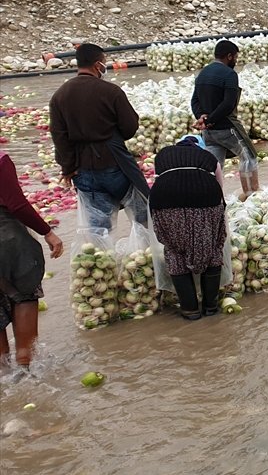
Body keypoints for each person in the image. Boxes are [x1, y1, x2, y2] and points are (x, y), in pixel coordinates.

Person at [49, 42, 149, 234]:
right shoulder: (111, 92)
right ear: (97, 65)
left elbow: (59, 137)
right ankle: (149, 255)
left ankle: (101, 260)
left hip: (83, 169)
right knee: (141, 213)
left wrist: (68, 168)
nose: (105, 66)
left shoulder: (60, 96)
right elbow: (130, 128)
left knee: (98, 226)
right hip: (115, 164)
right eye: (104, 62)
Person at [149, 134, 227, 321]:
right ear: (198, 147)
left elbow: (158, 179)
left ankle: (190, 310)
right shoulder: (209, 158)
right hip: (206, 201)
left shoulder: (163, 155)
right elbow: (220, 189)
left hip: (165, 203)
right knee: (213, 247)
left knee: (175, 250)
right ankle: (210, 307)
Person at [1, 151, 64, 374]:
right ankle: (25, 369)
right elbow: (16, 204)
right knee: (25, 295)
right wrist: (47, 232)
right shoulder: (1, 160)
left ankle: (4, 371)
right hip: (6, 237)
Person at [191, 40, 260, 201]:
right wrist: (211, 120)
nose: (235, 61)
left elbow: (194, 101)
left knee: (215, 167)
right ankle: (251, 196)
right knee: (249, 157)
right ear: (229, 56)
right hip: (226, 128)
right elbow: (228, 104)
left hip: (208, 133)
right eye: (235, 57)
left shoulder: (203, 73)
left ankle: (212, 201)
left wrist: (202, 118)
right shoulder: (229, 75)